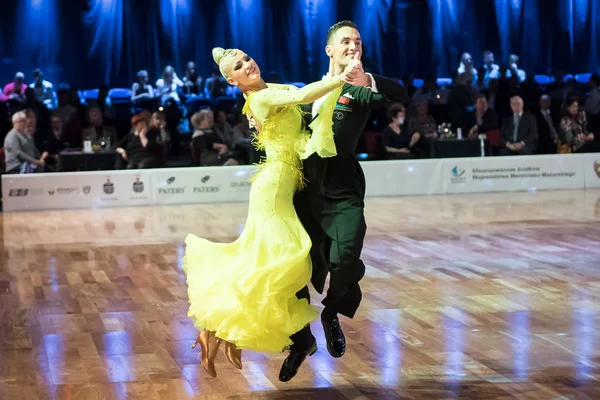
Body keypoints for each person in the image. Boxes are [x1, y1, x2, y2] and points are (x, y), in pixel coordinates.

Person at [183, 46, 360, 378]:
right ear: (232, 80)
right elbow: (306, 94)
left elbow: (303, 93)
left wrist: (333, 70)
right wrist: (341, 78)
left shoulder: (269, 92)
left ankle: (223, 333)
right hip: (274, 189)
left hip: (279, 186)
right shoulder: (261, 100)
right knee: (276, 263)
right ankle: (218, 330)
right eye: (239, 66)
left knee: (264, 262)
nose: (248, 65)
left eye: (247, 58)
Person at [284, 20, 407, 382]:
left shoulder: (362, 85)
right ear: (330, 50)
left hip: (343, 188)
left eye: (357, 41)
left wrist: (365, 80)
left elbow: (397, 93)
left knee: (346, 257)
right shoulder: (310, 91)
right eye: (345, 41)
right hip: (306, 190)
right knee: (292, 269)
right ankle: (301, 340)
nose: (353, 46)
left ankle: (332, 311)